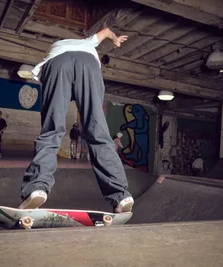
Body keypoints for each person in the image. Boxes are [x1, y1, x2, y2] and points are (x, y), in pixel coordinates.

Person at [18, 27, 134, 213]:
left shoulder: (51, 55)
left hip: (56, 63)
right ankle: (121, 195)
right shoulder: (88, 42)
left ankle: (37, 187)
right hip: (88, 63)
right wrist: (115, 39)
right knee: (98, 132)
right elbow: (106, 31)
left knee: (51, 131)